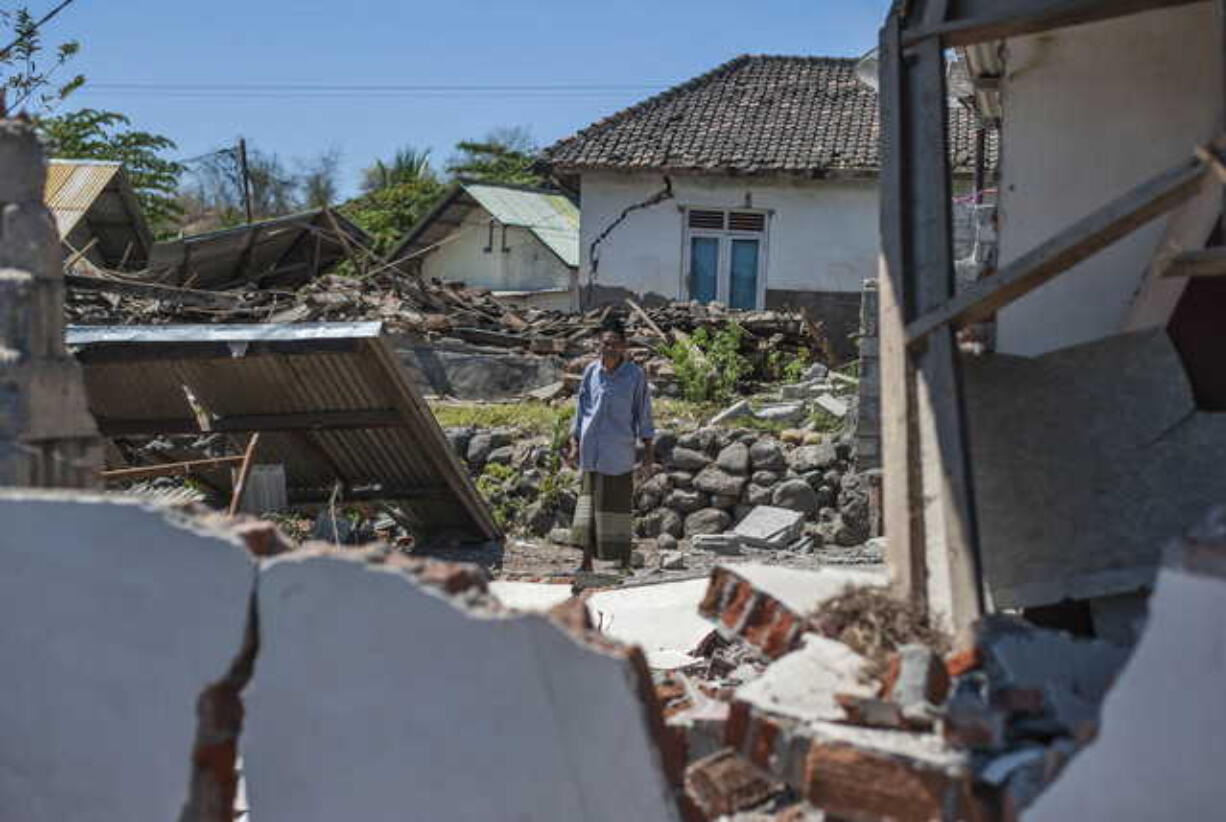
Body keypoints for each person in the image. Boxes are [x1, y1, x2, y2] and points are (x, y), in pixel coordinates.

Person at [565, 315, 655, 571]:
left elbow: (643, 414)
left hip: (618, 454)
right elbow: (581, 410)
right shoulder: (591, 372)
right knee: (588, 510)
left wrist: (648, 454)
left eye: (615, 343)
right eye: (606, 343)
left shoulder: (634, 376)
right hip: (592, 452)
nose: (610, 348)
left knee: (617, 510)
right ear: (598, 344)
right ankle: (585, 563)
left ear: (624, 346)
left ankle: (623, 562)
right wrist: (574, 442)